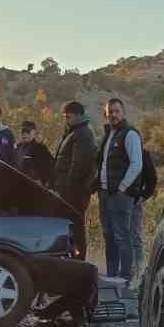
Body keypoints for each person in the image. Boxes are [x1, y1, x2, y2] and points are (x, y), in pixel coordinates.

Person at [94, 98, 144, 282]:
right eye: (110, 112)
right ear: (106, 115)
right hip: (105, 193)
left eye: (116, 111)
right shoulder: (108, 135)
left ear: (123, 113)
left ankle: (125, 277)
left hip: (120, 195)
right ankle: (111, 275)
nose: (113, 115)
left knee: (122, 236)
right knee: (108, 236)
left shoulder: (130, 134)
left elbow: (137, 164)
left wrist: (123, 187)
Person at [52, 102, 97, 254]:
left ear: (78, 115)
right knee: (70, 226)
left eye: (68, 117)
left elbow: (78, 166)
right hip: (68, 190)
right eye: (65, 117)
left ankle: (79, 262)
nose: (66, 120)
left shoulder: (82, 134)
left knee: (76, 226)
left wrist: (68, 190)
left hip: (74, 192)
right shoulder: (74, 132)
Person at [16, 121, 54, 186]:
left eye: (28, 131)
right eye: (23, 131)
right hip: (17, 184)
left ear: (34, 132)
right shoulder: (17, 147)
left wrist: (42, 181)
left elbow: (50, 167)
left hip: (33, 186)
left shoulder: (40, 148)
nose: (25, 134)